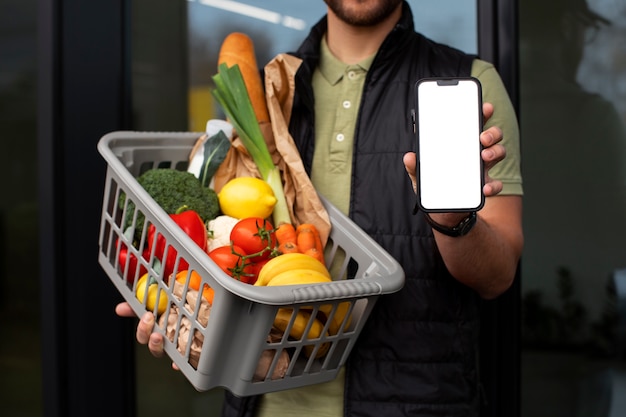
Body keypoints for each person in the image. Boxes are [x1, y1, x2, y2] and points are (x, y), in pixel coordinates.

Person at [116, 1, 523, 416]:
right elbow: (235, 259)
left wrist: (452, 221)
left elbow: (497, 276)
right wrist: (184, 314)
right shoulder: (273, 90)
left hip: (416, 404)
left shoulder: (470, 83)